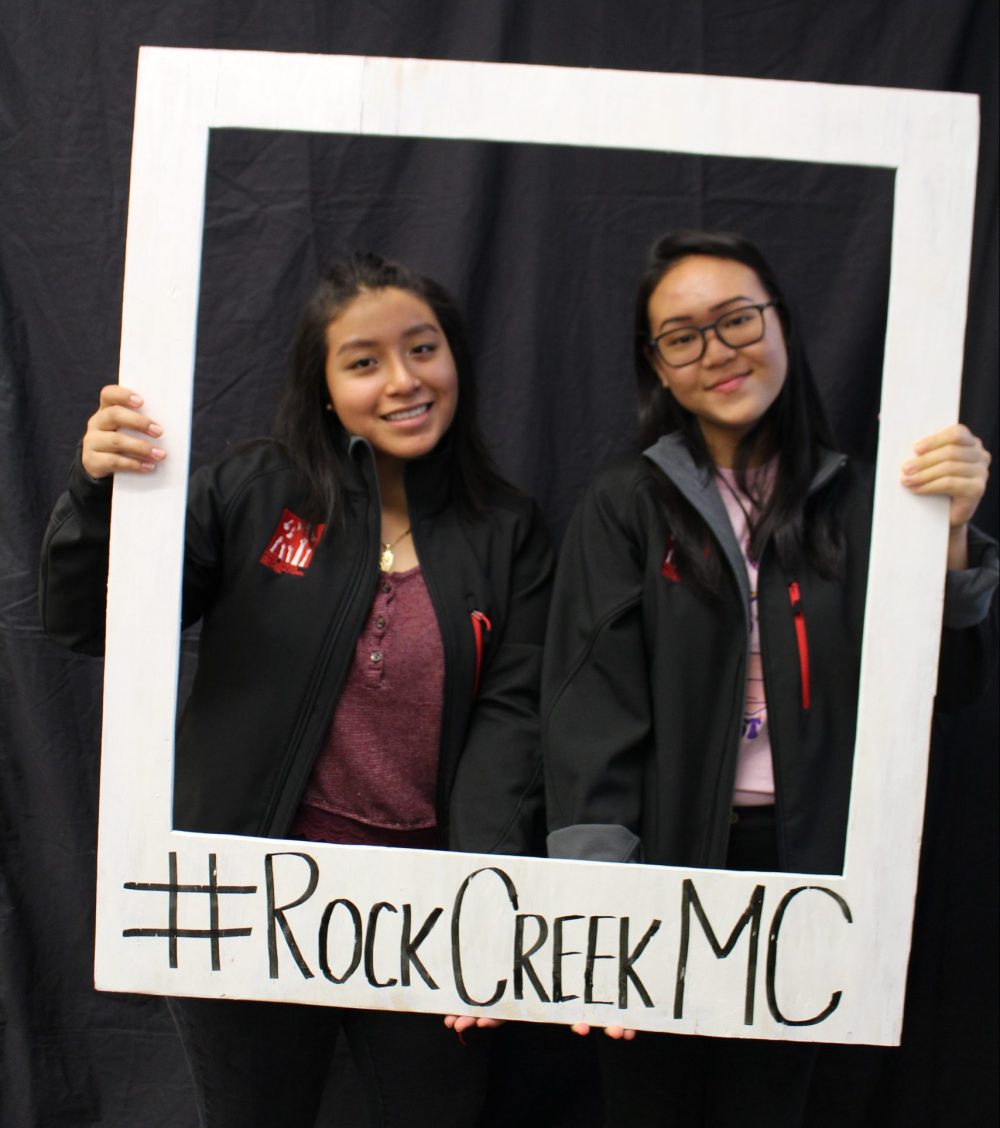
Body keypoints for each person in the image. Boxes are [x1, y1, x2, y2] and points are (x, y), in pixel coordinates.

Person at [39, 252, 554, 1128]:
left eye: (423, 349)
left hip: (424, 913)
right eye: (363, 361)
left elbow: (514, 725)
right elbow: (95, 621)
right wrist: (98, 495)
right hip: (243, 892)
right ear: (322, 386)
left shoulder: (509, 532)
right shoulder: (256, 490)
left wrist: (481, 902)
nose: (403, 380)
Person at [540, 230, 997, 1127]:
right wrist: (599, 913)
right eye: (683, 335)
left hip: (812, 871)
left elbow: (948, 688)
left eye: (738, 318)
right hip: (662, 868)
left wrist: (949, 540)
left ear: (782, 323)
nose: (718, 351)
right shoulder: (623, 506)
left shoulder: (870, 502)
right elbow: (590, 715)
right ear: (658, 368)